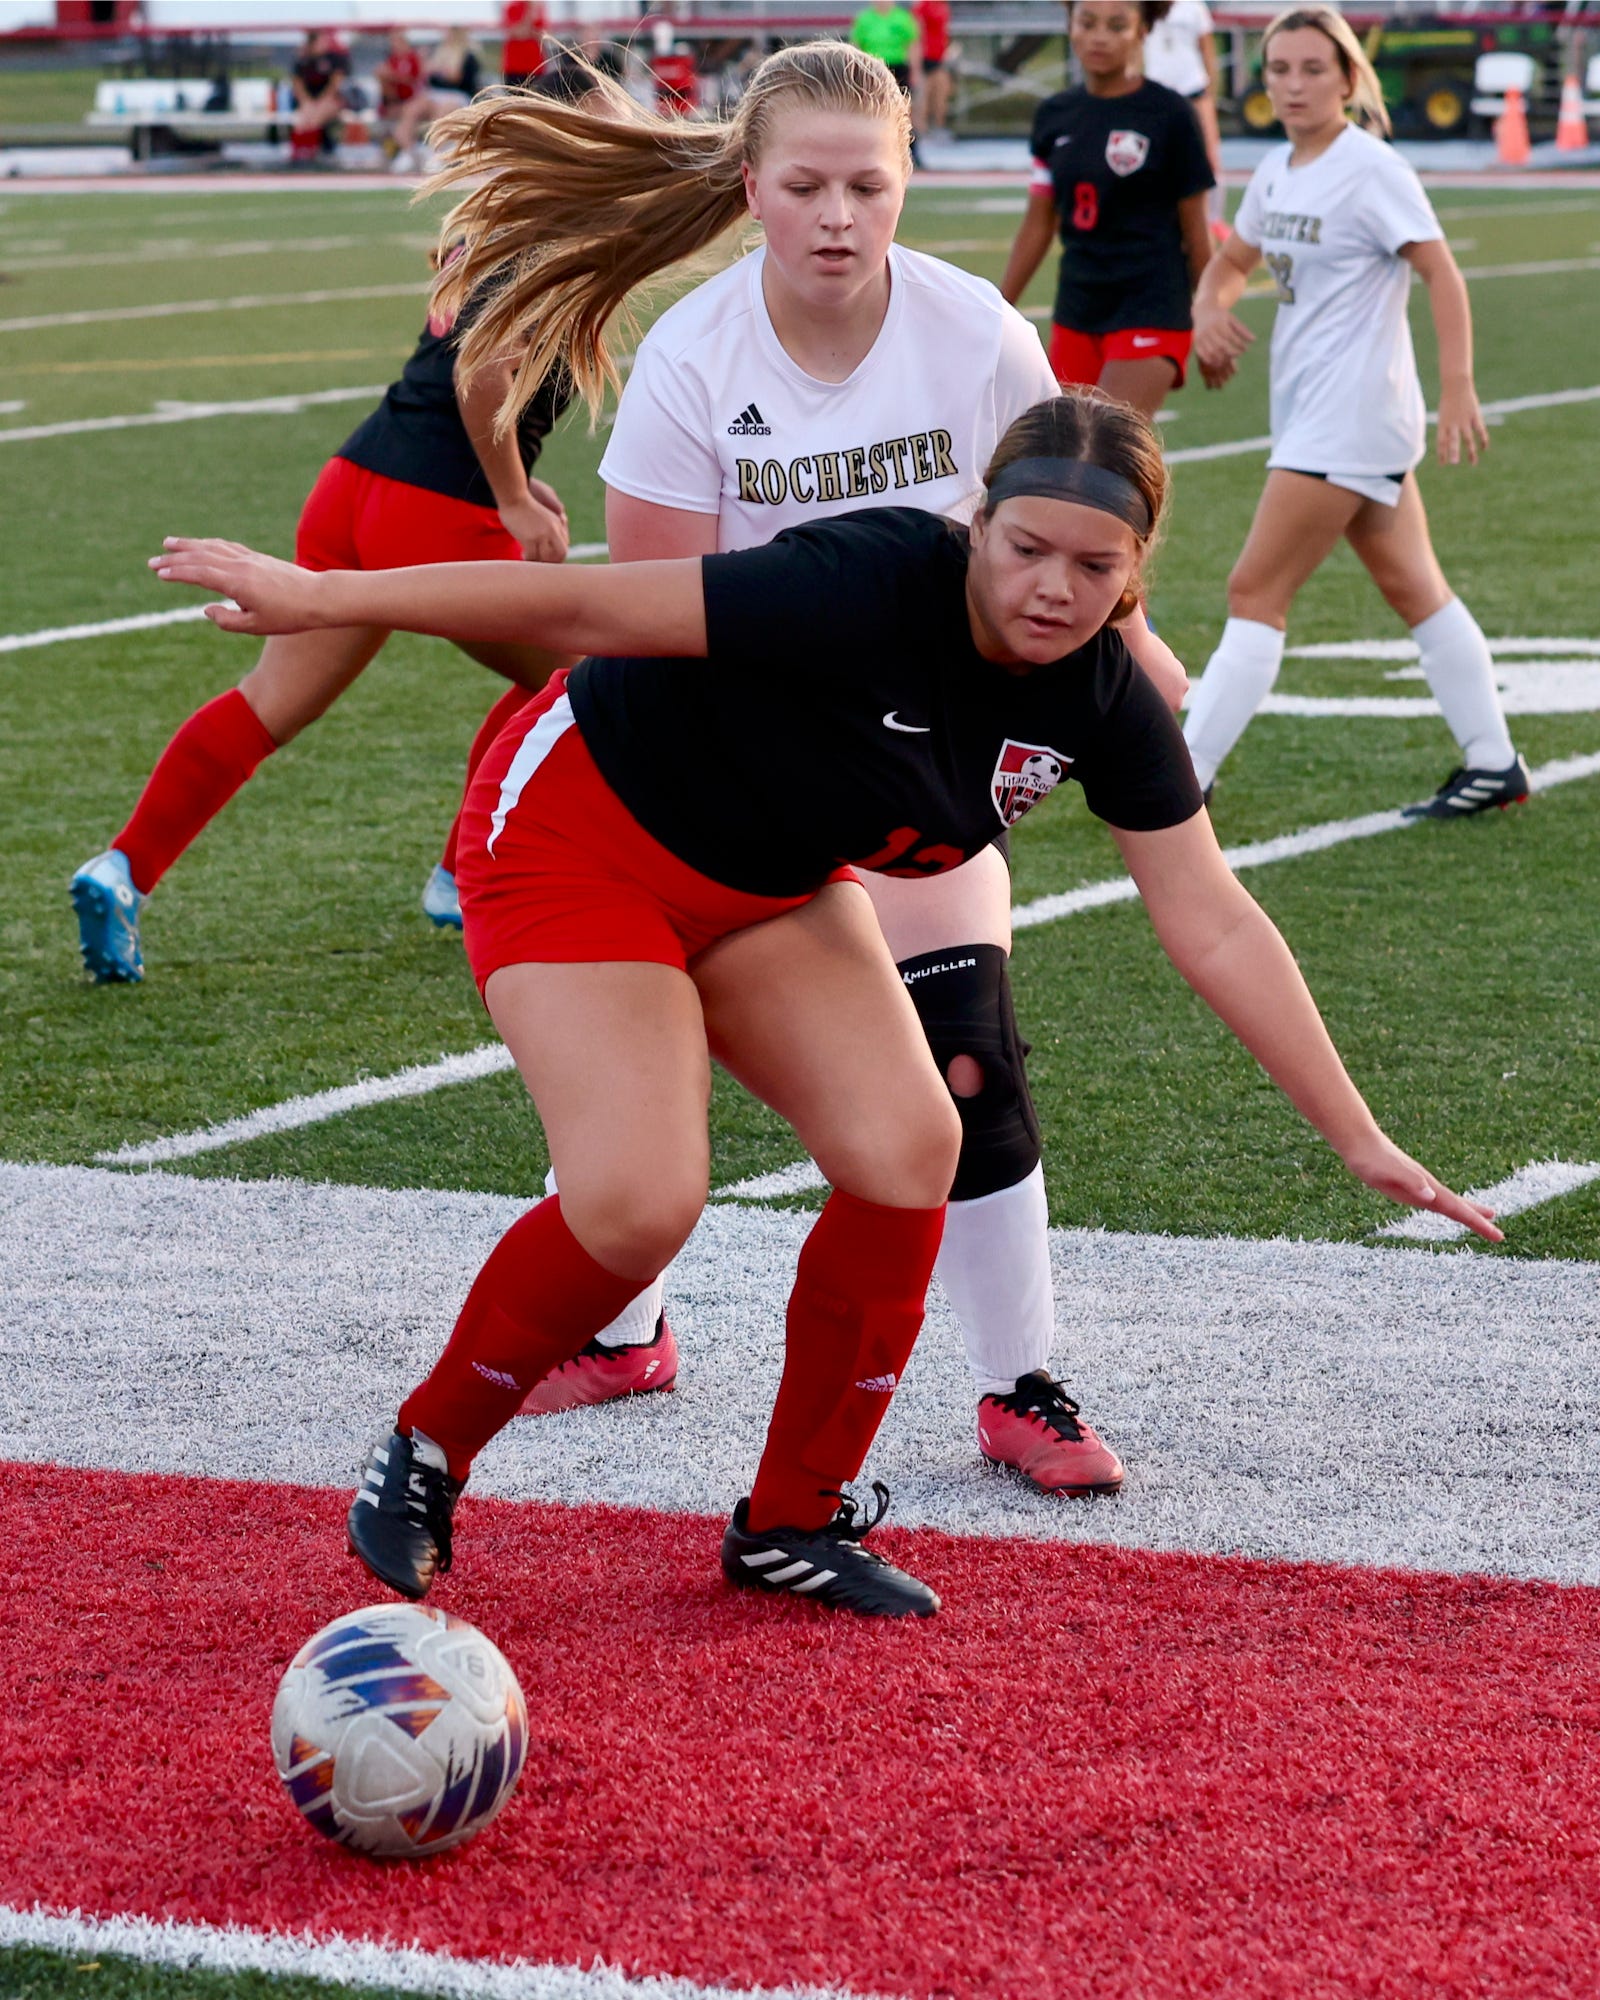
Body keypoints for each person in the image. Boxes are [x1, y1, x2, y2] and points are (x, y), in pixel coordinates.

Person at [149, 393, 1502, 1620]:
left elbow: (1211, 918)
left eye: (1095, 567)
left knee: (915, 1145)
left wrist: (1358, 1136)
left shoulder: (1101, 695)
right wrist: (321, 593)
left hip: (769, 885)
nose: (1053, 586)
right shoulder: (864, 582)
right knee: (637, 1200)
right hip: (579, 828)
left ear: (1136, 572)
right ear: (977, 524)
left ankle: (794, 1516)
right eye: (1026, 545)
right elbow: (586, 612)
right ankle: (428, 1448)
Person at [417, 40, 1189, 1497]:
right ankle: (627, 1322)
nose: (840, 215)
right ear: (753, 189)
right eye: (808, 185)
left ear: (911, 188)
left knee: (966, 1046)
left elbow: (1065, 532)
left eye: (870, 186)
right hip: (749, 771)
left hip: (922, 766)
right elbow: (644, 631)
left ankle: (1019, 1381)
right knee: (661, 1065)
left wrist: (1129, 658)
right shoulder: (697, 359)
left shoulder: (978, 339)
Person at [69, 260, 574, 985]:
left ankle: (122, 869)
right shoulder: (563, 231)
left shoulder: (498, 226)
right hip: (435, 510)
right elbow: (483, 365)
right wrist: (511, 498)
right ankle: (462, 876)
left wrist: (520, 480)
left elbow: (449, 374)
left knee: (268, 702)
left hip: (355, 482)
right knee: (579, 675)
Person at [1184, 5, 1529, 817]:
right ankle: (1494, 763)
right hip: (1319, 412)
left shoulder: (1371, 169)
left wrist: (1460, 387)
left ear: (1348, 78)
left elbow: (1442, 274)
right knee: (1417, 589)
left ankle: (1184, 776)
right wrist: (1208, 311)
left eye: (1313, 69)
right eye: (1280, 70)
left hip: (1350, 416)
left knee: (1253, 590)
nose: (1294, 85)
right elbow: (1232, 262)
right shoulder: (1277, 169)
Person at [999, 0, 1215, 422]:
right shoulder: (1054, 116)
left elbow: (1196, 231)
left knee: (1103, 444)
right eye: (1088, 22)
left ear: (1142, 31)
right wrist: (996, 310)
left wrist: (1208, 318)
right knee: (1062, 453)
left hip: (1152, 306)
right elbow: (1039, 223)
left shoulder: (1171, 115)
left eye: (1117, 25)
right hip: (1078, 307)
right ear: (1071, 27)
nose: (1100, 36)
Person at [1139, 0, 1228, 237]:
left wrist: (1210, 93)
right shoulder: (1145, 5)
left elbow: (1207, 51)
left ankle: (1214, 219)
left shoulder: (1195, 7)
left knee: (1210, 155)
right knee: (1152, 157)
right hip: (1158, 92)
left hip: (1193, 90)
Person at [391, 26, 484, 174]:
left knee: (441, 111)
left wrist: (439, 70)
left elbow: (457, 78)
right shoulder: (439, 53)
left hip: (457, 94)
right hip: (435, 93)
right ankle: (409, 152)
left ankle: (436, 153)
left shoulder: (467, 55)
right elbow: (427, 75)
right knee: (411, 109)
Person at [850, 1, 923, 159]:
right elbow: (856, 46)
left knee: (903, 109)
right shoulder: (865, 19)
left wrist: (915, 70)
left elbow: (912, 45)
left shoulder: (902, 18)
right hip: (872, 68)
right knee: (871, 108)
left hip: (898, 67)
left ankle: (910, 149)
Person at [289, 29, 349, 167]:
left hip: (330, 101)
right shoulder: (303, 60)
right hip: (310, 101)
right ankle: (298, 154)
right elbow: (297, 85)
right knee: (302, 121)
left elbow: (335, 85)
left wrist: (319, 103)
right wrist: (307, 102)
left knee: (315, 118)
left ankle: (310, 154)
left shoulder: (334, 59)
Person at [375, 29, 424, 156]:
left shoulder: (413, 58)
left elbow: (413, 81)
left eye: (396, 41)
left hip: (409, 101)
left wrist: (390, 75)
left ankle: (409, 152)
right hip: (394, 102)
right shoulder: (392, 59)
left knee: (402, 128)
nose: (393, 45)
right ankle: (397, 152)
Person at [913, 0, 954, 137]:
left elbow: (944, 31)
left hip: (939, 56)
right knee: (924, 94)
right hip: (926, 56)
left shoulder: (943, 6)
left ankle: (938, 127)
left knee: (941, 93)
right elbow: (916, 32)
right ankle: (920, 130)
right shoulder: (924, 6)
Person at [500, 0, 548, 91]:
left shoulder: (538, 8)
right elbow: (517, 33)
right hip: (514, 68)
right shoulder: (512, 6)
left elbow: (543, 35)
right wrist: (528, 15)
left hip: (536, 67)